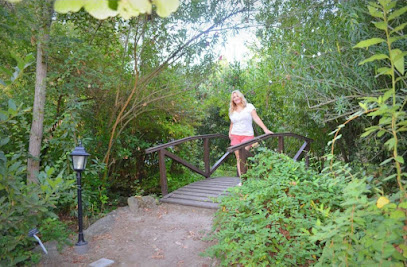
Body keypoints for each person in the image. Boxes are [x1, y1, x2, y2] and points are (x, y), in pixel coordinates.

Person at [228, 90, 273, 178]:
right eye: (234, 97)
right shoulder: (232, 110)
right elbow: (232, 123)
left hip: (247, 135)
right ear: (232, 100)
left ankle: (247, 177)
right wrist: (229, 133)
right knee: (238, 157)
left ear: (241, 96)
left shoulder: (249, 107)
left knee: (243, 155)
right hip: (235, 135)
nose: (236, 98)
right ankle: (242, 180)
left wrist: (265, 129)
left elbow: (256, 118)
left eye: (237, 96)